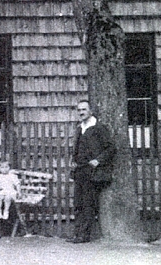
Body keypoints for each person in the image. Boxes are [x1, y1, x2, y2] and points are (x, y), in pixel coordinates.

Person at [67, 100, 116, 244]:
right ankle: (77, 234)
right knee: (78, 203)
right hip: (79, 170)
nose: (81, 112)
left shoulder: (99, 127)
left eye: (84, 109)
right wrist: (73, 160)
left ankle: (84, 235)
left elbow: (111, 148)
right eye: (79, 110)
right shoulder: (79, 128)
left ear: (90, 111)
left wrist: (98, 160)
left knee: (88, 204)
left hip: (92, 171)